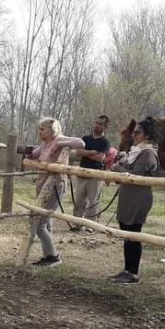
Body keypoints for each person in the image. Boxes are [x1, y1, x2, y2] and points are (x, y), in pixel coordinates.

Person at [24, 117, 85, 267]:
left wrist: (60, 142)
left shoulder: (58, 139)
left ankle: (54, 256)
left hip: (55, 184)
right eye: (39, 128)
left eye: (42, 129)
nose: (39, 131)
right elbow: (36, 153)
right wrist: (30, 154)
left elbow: (81, 143)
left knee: (40, 223)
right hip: (43, 183)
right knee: (47, 222)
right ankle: (47, 256)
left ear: (52, 130)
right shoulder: (45, 143)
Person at [109, 116, 160, 283]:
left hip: (138, 198)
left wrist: (119, 167)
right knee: (127, 235)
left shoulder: (148, 153)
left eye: (137, 133)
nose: (134, 136)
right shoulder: (137, 152)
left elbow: (135, 174)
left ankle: (133, 272)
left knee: (134, 234)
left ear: (146, 135)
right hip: (129, 196)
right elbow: (128, 169)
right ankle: (127, 269)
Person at [71, 114, 111, 233]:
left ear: (105, 127)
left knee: (93, 201)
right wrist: (92, 152)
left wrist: (86, 153)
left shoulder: (105, 142)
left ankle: (90, 226)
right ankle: (77, 224)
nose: (97, 125)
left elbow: (100, 157)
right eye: (96, 123)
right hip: (82, 172)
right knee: (79, 200)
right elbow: (78, 152)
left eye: (100, 124)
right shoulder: (85, 139)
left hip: (95, 175)